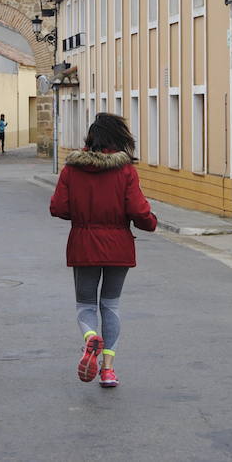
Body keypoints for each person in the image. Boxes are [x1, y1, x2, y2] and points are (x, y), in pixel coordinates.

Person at [49, 113, 157, 388]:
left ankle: (90, 339)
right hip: (118, 245)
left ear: (90, 139)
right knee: (111, 304)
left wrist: (82, 215)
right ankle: (108, 369)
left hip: (83, 244)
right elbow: (138, 210)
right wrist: (150, 223)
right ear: (119, 139)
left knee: (85, 304)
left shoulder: (72, 169)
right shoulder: (125, 171)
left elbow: (58, 207)